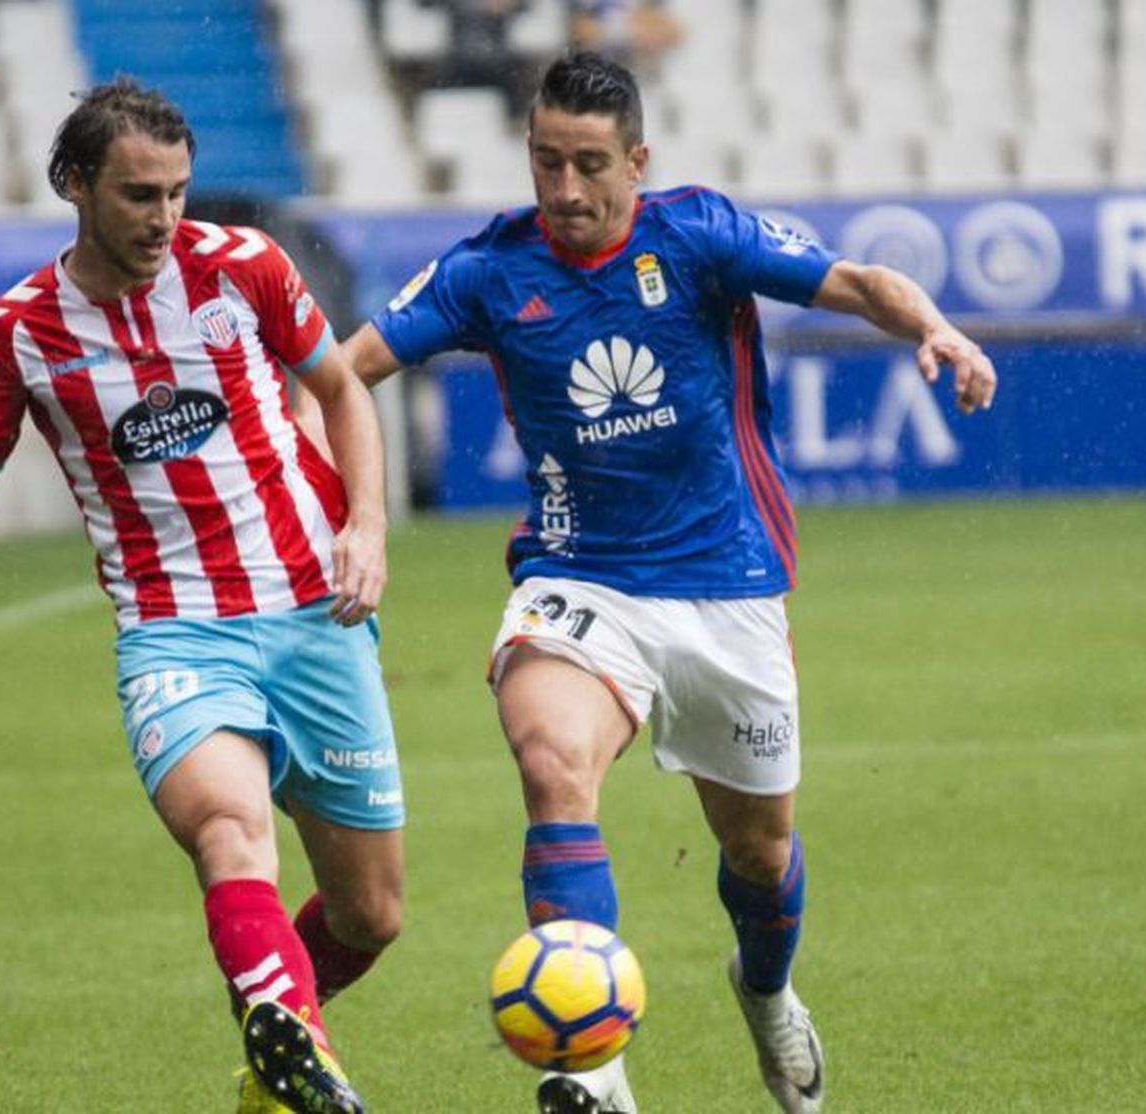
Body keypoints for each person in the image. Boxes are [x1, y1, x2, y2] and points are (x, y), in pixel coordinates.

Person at [335, 51, 997, 1114]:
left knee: (759, 853)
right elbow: (338, 371)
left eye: (589, 164)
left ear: (636, 162)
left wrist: (935, 327)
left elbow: (856, 281)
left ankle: (765, 990)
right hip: (578, 577)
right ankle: (591, 1066)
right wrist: (345, 508)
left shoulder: (697, 235)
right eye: (546, 161)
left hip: (727, 582)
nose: (564, 189)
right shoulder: (488, 270)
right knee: (552, 764)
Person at [0, 78, 399, 1114]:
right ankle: (285, 1028)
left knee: (370, 913)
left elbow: (341, 390)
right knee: (230, 831)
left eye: (176, 192)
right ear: (75, 184)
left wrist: (367, 527)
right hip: (174, 630)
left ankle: (276, 1050)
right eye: (138, 194)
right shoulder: (19, 333)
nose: (163, 217)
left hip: (317, 609)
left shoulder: (244, 267)